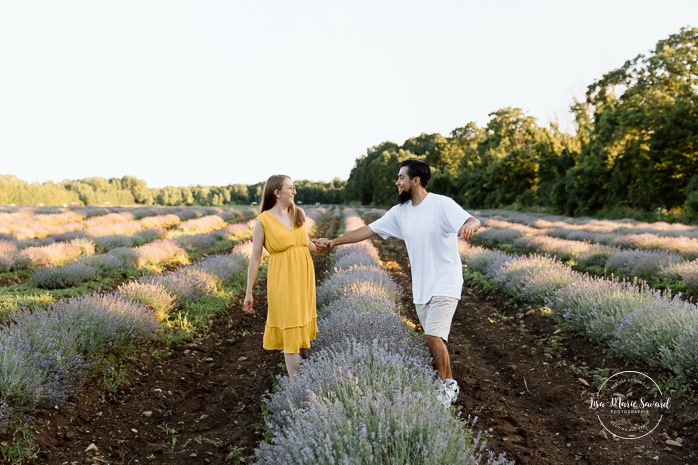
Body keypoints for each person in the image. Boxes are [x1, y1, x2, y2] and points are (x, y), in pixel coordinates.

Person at [317, 159, 480, 405]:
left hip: (446, 280)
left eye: (401, 177)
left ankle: (448, 386)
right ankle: (444, 382)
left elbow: (473, 220)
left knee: (433, 335)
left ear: (416, 180)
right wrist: (334, 241)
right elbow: (368, 230)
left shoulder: (441, 204)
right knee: (433, 337)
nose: (397, 182)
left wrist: (469, 226)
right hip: (422, 285)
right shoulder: (400, 212)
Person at [244, 175, 320, 378]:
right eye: (291, 188)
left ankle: (306, 378)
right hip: (283, 280)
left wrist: (323, 245)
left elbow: (306, 244)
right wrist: (249, 291)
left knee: (302, 326)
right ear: (277, 192)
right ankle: (297, 388)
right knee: (290, 328)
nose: (294, 191)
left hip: (304, 278)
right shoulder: (263, 221)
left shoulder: (298, 214)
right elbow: (255, 257)